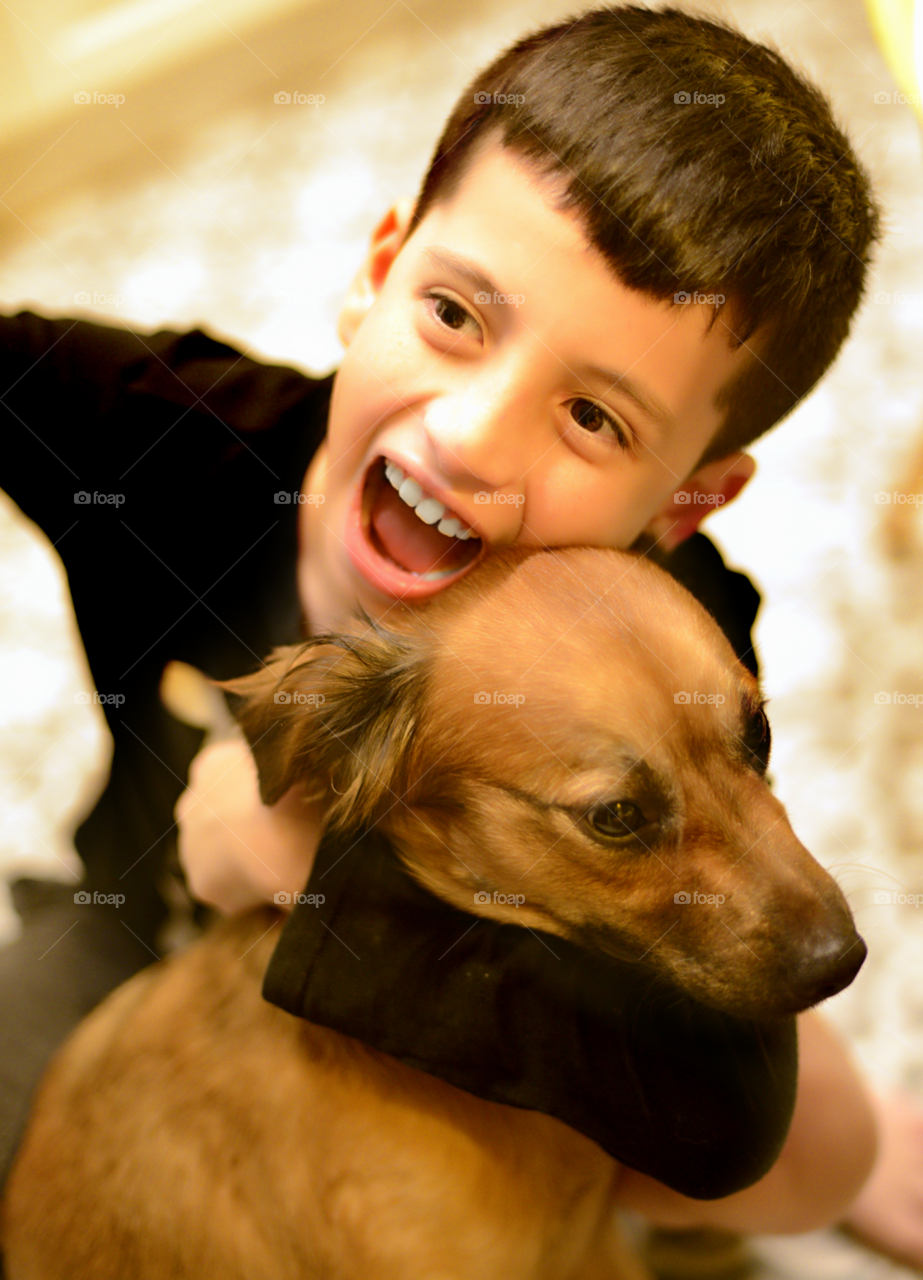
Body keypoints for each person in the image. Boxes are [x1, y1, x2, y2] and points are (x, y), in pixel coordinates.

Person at [0, 1, 916, 1269]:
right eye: (454, 314)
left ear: (683, 501)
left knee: (811, 1144)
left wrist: (314, 877)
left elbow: (732, 1111)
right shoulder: (165, 435)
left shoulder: (680, 620)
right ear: (379, 270)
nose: (473, 436)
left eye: (593, 416)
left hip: (481, 964)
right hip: (120, 930)